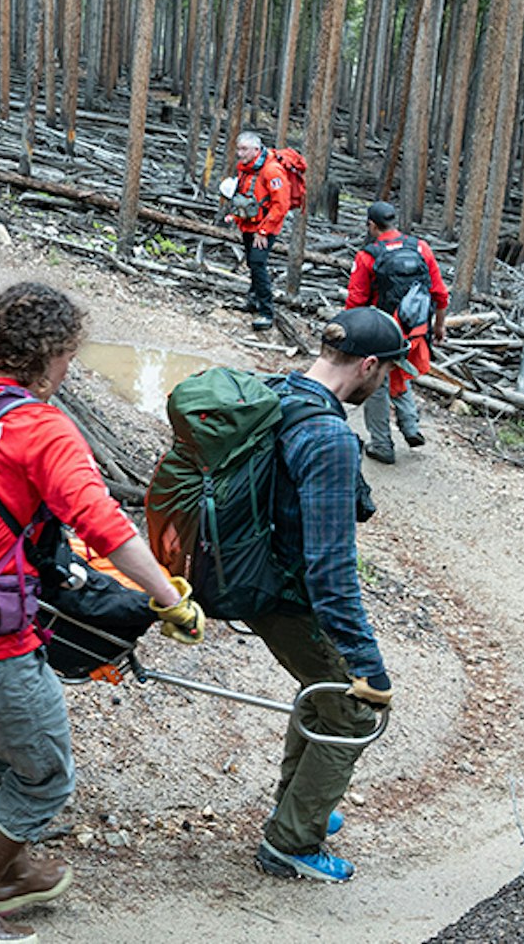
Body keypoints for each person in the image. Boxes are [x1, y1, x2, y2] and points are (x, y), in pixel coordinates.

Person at [0, 282, 204, 944]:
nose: (69, 368)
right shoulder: (39, 426)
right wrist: (170, 598)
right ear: (51, 356)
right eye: (68, 355)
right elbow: (102, 524)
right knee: (45, 776)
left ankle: (11, 872)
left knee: (1, 752)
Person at [247, 306, 400, 884]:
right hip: (288, 596)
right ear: (366, 366)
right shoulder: (328, 437)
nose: (386, 381)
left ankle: (298, 806)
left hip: (258, 578)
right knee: (357, 711)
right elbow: (332, 573)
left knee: (323, 690)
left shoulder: (277, 392)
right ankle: (292, 841)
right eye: (386, 371)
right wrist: (369, 664)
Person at [345, 201, 448, 464]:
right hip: (417, 329)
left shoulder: (368, 256)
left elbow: (356, 302)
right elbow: (440, 293)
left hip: (385, 330)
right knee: (401, 372)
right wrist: (438, 325)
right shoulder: (420, 247)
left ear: (371, 225)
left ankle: (381, 444)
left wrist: (350, 334)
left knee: (376, 384)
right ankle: (411, 426)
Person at [228, 130, 291, 332]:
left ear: (256, 149)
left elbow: (281, 205)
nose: (240, 153)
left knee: (257, 264)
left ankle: (266, 312)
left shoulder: (272, 171)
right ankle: (253, 300)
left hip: (264, 229)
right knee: (252, 264)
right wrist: (236, 216)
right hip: (249, 225)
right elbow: (248, 196)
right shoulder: (246, 168)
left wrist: (264, 231)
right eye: (238, 149)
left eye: (244, 149)